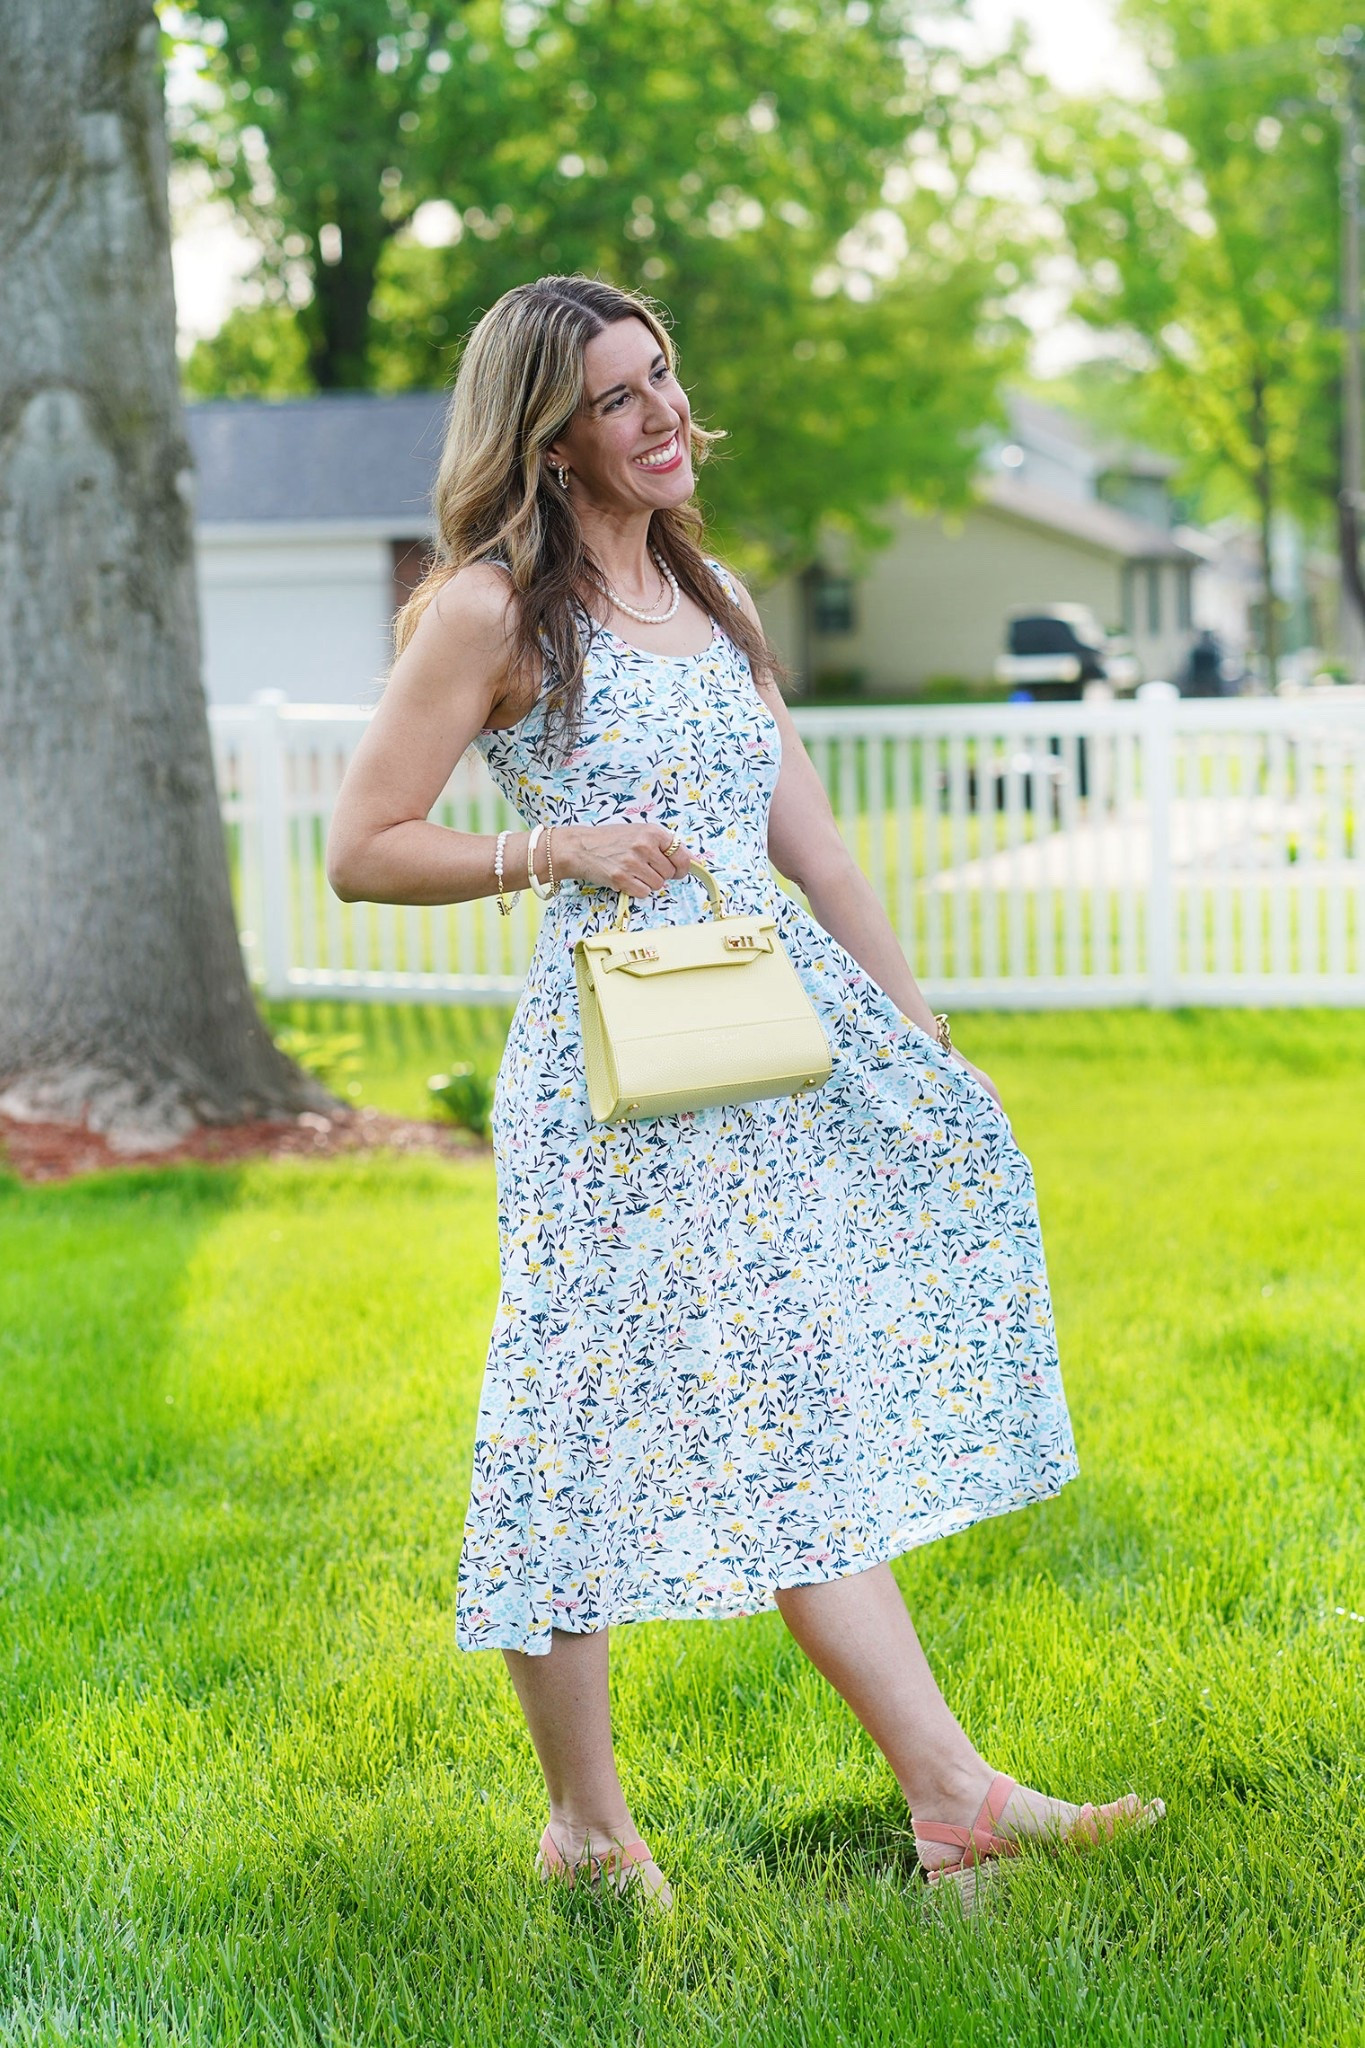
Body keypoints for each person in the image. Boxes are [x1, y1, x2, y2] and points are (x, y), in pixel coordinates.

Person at [326, 274, 1163, 1914]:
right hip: (612, 1082)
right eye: (618, 396)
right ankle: (586, 1828)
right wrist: (549, 845)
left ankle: (954, 1801)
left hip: (767, 1052)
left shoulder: (708, 595)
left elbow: (816, 847)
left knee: (792, 1411)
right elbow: (364, 846)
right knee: (575, 1427)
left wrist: (922, 1041)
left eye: (664, 377)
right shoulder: (491, 612)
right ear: (547, 438)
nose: (664, 415)